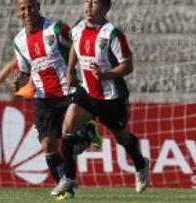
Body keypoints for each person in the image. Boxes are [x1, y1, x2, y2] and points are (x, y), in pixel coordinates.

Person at [11, 0, 102, 198]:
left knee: (68, 135)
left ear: (38, 6)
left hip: (67, 90)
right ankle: (65, 188)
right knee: (48, 146)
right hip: (43, 97)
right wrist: (19, 80)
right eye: (23, 9)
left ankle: (86, 132)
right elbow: (25, 71)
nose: (28, 12)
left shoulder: (56, 29)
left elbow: (78, 45)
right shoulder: (19, 41)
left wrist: (74, 70)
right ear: (17, 12)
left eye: (31, 7)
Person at [58, 0, 149, 197]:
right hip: (87, 92)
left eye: (95, 2)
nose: (88, 6)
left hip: (112, 97)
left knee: (122, 138)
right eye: (86, 1)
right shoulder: (77, 28)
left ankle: (141, 165)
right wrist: (69, 71)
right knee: (68, 126)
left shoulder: (112, 34)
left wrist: (105, 75)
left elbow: (128, 66)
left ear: (106, 8)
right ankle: (68, 177)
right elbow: (75, 46)